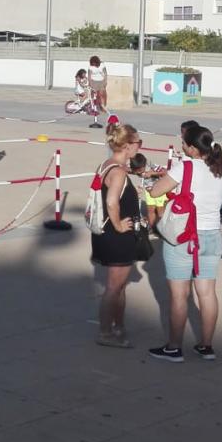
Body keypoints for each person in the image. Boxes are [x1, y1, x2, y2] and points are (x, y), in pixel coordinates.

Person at [147, 126, 222, 363]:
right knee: (207, 293)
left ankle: (174, 348)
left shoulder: (185, 166)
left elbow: (156, 191)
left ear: (193, 148)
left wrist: (154, 184)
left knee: (179, 295)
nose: (182, 146)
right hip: (212, 234)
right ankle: (206, 346)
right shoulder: (220, 168)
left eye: (184, 143)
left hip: (184, 236)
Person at [92, 122, 144, 349]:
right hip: (117, 236)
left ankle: (118, 327)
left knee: (119, 286)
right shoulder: (119, 171)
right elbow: (112, 201)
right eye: (138, 143)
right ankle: (105, 332)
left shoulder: (107, 164)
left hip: (107, 234)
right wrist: (120, 225)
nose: (140, 147)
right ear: (127, 146)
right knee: (114, 287)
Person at [131, 153, 168, 229]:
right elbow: (128, 169)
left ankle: (162, 229)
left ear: (144, 165)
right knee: (150, 210)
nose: (139, 173)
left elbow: (165, 172)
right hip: (148, 191)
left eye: (140, 170)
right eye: (136, 171)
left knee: (160, 211)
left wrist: (152, 173)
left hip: (159, 190)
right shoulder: (136, 167)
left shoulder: (151, 165)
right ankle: (152, 228)